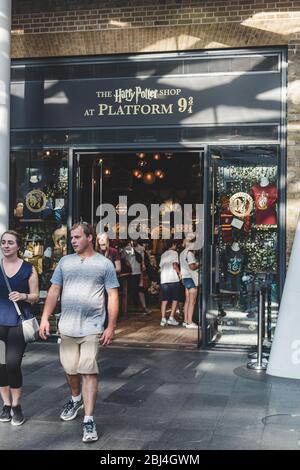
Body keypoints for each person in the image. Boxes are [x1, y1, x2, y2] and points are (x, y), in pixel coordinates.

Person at [39, 222, 119, 443]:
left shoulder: (104, 265)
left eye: (76, 237)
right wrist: (45, 318)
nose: (72, 241)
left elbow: (113, 296)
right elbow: (54, 290)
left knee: (88, 370)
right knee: (69, 368)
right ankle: (76, 398)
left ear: (90, 237)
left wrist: (110, 326)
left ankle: (89, 420)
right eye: (71, 238)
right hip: (67, 326)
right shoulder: (65, 262)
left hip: (92, 327)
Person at [0, 230, 39, 426]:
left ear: (18, 246)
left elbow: (36, 296)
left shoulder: (29, 269)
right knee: (0, 366)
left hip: (17, 324)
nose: (6, 245)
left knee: (13, 365)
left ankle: (17, 405)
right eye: (3, 242)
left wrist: (23, 296)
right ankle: (6, 405)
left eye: (10, 242)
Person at [179, 235, 199, 329]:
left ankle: (185, 321)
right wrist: (199, 264)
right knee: (192, 302)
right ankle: (190, 322)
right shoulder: (189, 253)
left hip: (184, 278)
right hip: (190, 278)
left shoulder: (182, 252)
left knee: (187, 301)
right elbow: (192, 267)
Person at [159, 240, 181, 327]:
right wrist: (179, 274)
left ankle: (163, 319)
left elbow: (160, 267)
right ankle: (171, 318)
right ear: (173, 244)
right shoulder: (174, 253)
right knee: (175, 298)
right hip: (173, 278)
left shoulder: (163, 254)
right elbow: (174, 265)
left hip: (164, 279)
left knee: (165, 299)